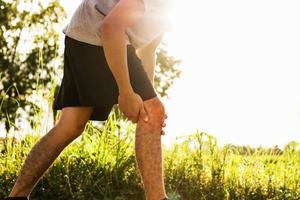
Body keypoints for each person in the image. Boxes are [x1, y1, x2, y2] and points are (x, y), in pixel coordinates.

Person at [5, 0, 171, 199]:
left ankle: (16, 196)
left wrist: (147, 97)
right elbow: (110, 28)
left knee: (70, 125)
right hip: (98, 34)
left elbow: (147, 49)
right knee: (152, 113)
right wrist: (126, 91)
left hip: (83, 35)